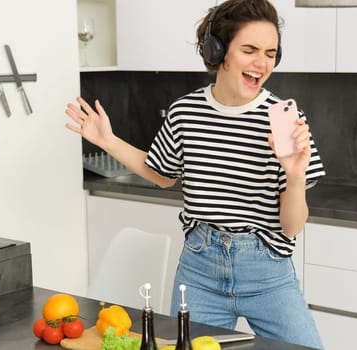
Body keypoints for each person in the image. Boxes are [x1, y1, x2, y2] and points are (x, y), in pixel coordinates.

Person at [64, 0, 325, 348]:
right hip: (200, 270)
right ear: (218, 50)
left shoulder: (283, 120)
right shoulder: (186, 112)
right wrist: (108, 141)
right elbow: (160, 174)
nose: (262, 63)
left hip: (268, 273)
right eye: (249, 50)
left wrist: (295, 175)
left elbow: (292, 227)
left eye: (270, 53)